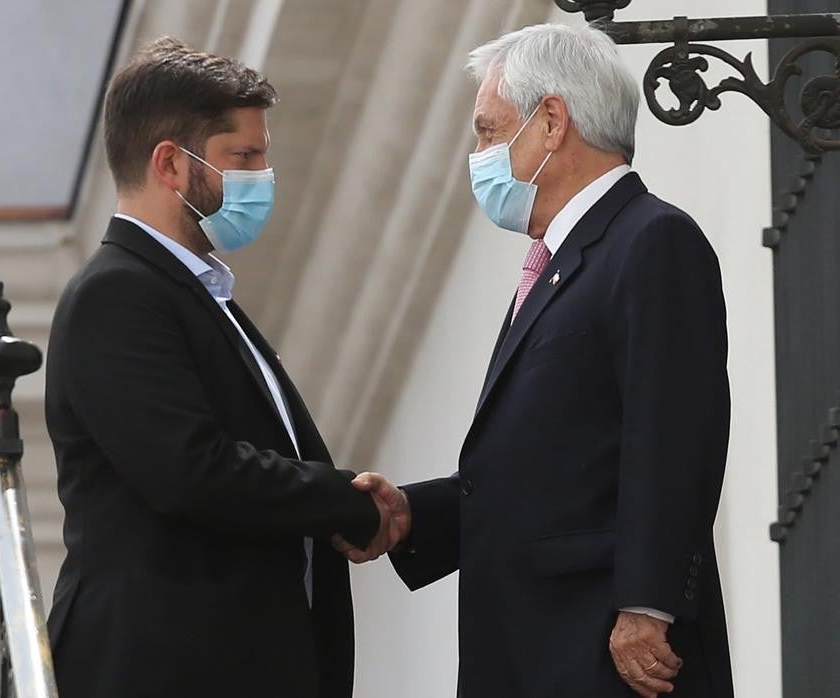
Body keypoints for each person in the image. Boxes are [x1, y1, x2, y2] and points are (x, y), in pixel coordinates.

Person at [337, 23, 734, 698]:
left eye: (490, 131)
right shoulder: (557, 266)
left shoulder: (651, 240)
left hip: (608, 656)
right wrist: (413, 514)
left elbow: (676, 435)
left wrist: (648, 605)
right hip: (535, 654)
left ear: (552, 121)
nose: (480, 154)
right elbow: (550, 468)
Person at [43, 37, 396, 698]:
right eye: (244, 157)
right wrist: (340, 500)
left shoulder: (199, 295)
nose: (263, 177)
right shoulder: (115, 294)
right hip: (165, 667)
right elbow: (190, 471)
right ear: (171, 165)